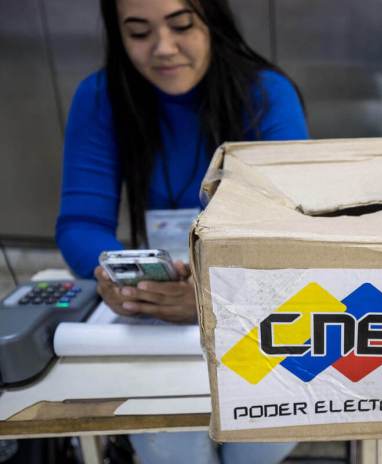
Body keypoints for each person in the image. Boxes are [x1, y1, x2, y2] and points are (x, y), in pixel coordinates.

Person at [55, 0, 308, 462]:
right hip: (155, 303)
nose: (163, 48)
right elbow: (81, 224)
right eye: (138, 33)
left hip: (256, 302)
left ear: (213, 22)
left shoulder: (266, 93)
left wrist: (214, 291)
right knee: (170, 446)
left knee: (255, 447)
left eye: (181, 25)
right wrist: (116, 273)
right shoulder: (101, 97)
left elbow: (290, 229)